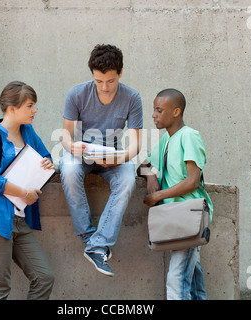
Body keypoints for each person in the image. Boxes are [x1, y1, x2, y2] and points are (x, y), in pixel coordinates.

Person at [59, 44, 143, 276]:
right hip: (82, 153)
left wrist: (119, 158)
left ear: (120, 73)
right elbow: (66, 134)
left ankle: (98, 245)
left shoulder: (132, 98)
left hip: (114, 156)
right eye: (99, 81)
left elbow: (135, 144)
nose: (104, 87)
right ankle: (91, 239)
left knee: (128, 179)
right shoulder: (76, 94)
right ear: (92, 76)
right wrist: (71, 146)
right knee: (67, 168)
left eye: (110, 81)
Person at [0, 81, 55, 299]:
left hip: (21, 221)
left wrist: (48, 163)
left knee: (44, 277)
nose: (34, 110)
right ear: (12, 108)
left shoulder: (28, 132)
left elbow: (45, 156)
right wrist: (23, 193)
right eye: (29, 106)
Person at [137, 88, 213, 300]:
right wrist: (152, 177)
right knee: (194, 280)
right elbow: (143, 165)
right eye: (154, 109)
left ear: (176, 111)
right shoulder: (166, 140)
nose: (154, 115)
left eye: (159, 110)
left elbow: (192, 180)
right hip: (176, 217)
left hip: (190, 216)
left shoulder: (189, 136)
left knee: (176, 280)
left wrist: (156, 196)